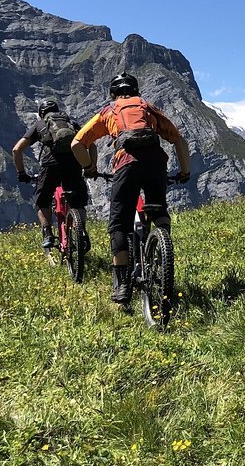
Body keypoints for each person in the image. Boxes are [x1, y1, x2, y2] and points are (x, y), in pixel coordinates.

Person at [71, 72, 191, 305]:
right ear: (136, 91)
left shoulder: (109, 111)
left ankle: (122, 284)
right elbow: (178, 139)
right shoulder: (147, 107)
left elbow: (77, 143)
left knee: (119, 223)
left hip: (126, 164)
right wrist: (185, 171)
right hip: (156, 162)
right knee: (158, 209)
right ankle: (163, 249)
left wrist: (89, 167)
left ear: (113, 93)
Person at [13, 97, 96, 250]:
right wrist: (90, 167)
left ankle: (48, 234)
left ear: (41, 113)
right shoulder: (71, 123)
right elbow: (91, 144)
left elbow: (16, 150)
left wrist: (21, 173)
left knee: (42, 199)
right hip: (73, 164)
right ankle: (82, 231)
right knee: (77, 202)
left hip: (51, 164)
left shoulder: (40, 124)